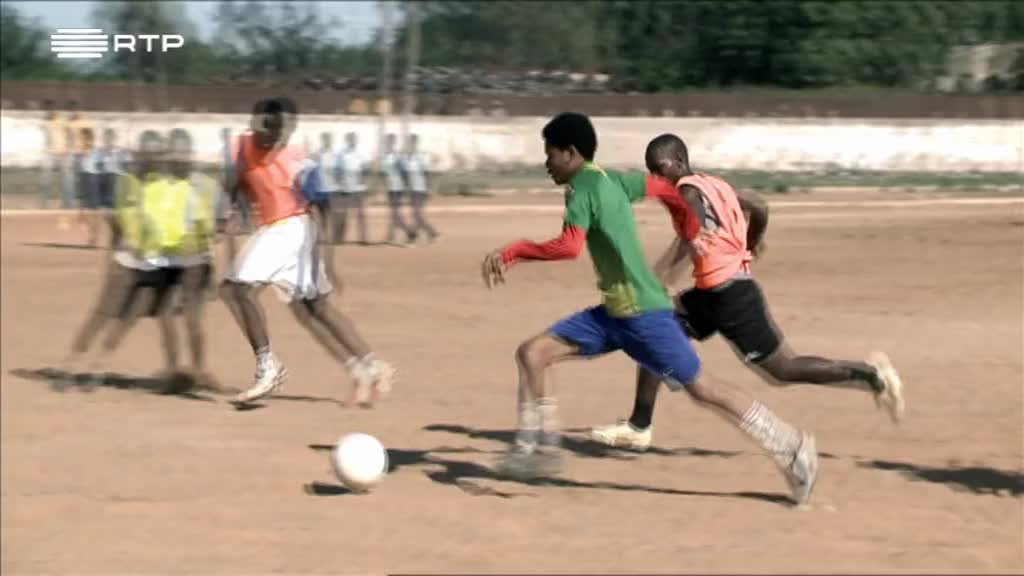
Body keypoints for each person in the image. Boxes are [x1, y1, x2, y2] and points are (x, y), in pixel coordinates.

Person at [480, 112, 818, 505]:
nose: (546, 164)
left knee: (703, 389)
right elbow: (666, 190)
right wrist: (690, 228)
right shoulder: (611, 178)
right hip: (613, 314)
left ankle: (792, 447)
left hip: (644, 315)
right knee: (533, 353)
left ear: (570, 153)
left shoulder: (584, 189)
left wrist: (515, 251)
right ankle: (537, 452)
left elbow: (570, 247)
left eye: (550, 155)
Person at [589, 134, 906, 450]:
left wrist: (655, 278)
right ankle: (639, 424)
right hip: (711, 293)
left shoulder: (687, 191)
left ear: (681, 162)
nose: (658, 178)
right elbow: (759, 205)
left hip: (732, 298)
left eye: (661, 169)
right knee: (657, 332)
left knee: (783, 370)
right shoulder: (715, 185)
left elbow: (691, 231)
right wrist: (750, 242)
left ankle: (871, 375)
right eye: (652, 172)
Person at [220, 97, 396, 406]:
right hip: (275, 228)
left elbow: (325, 209)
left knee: (238, 288)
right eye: (270, 125)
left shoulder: (298, 161)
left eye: (284, 127)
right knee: (311, 309)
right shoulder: (241, 148)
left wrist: (327, 260)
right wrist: (231, 209)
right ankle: (369, 367)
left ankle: (268, 367)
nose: (277, 134)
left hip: (295, 228)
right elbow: (233, 184)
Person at [96, 128, 133, 248]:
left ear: (114, 139)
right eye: (106, 138)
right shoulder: (100, 153)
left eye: (110, 138)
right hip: (105, 181)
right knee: (106, 213)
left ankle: (120, 236)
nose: (108, 140)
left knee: (118, 212)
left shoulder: (122, 152)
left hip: (118, 180)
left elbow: (129, 168)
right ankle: (118, 233)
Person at [401, 133, 438, 244]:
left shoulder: (421, 157)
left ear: (416, 143)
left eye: (413, 142)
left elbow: (427, 173)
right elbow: (406, 175)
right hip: (412, 190)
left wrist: (429, 188)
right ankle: (431, 234)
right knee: (416, 214)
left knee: (416, 214)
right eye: (409, 143)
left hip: (421, 189)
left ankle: (413, 237)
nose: (411, 145)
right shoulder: (406, 158)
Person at [337, 131, 369, 245]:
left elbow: (366, 169)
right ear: (347, 140)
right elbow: (338, 170)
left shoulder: (361, 152)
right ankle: (339, 239)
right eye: (350, 139)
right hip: (345, 188)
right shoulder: (341, 154)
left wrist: (364, 181)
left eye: (353, 139)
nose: (352, 141)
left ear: (356, 140)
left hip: (358, 189)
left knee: (360, 215)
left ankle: (363, 239)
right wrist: (339, 183)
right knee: (343, 215)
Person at [381, 133, 413, 245]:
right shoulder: (385, 156)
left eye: (390, 141)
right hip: (390, 188)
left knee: (395, 214)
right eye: (387, 141)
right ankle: (390, 237)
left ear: (393, 142)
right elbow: (385, 173)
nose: (388, 143)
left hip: (398, 188)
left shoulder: (396, 156)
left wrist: (406, 188)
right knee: (394, 214)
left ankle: (410, 233)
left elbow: (404, 172)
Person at [310, 131, 342, 242]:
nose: (327, 141)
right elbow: (312, 171)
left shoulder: (335, 155)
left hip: (332, 190)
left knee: (331, 214)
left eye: (328, 139)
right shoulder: (317, 155)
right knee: (320, 214)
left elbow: (339, 171)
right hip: (320, 190)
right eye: (325, 139)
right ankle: (321, 236)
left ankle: (332, 236)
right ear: (322, 141)